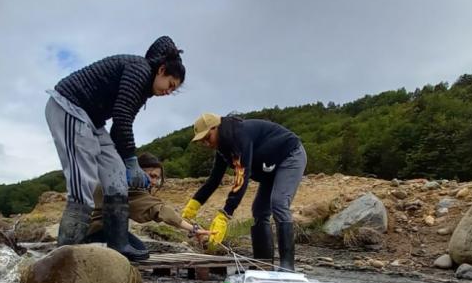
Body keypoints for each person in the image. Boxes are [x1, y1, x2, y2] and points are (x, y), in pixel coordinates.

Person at [45, 36, 185, 261]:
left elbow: (119, 129)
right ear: (161, 70)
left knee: (116, 174)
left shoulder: (144, 86)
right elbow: (121, 118)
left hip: (93, 119)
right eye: (170, 85)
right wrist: (132, 160)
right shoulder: (139, 70)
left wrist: (127, 163)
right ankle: (64, 258)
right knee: (84, 185)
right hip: (70, 106)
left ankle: (118, 245)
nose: (169, 92)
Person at [181, 113, 306, 271]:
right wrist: (194, 205)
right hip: (269, 168)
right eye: (202, 141)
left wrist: (225, 214)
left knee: (279, 203)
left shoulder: (239, 135)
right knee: (259, 211)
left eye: (207, 137)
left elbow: (242, 176)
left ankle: (288, 267)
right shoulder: (223, 148)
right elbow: (214, 180)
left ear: (216, 127)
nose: (206, 143)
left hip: (290, 156)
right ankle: (263, 265)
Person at [86, 152, 210, 248]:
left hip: (88, 230)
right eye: (152, 176)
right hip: (98, 232)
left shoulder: (115, 177)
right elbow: (160, 210)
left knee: (136, 248)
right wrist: (194, 229)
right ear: (138, 170)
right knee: (140, 252)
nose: (154, 182)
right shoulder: (130, 187)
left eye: (157, 178)